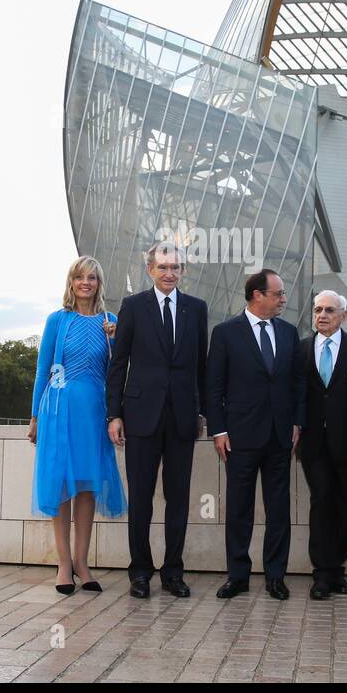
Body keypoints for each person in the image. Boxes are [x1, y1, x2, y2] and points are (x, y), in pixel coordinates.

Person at [106, 241, 208, 599]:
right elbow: (119, 364)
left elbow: (202, 366)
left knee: (178, 499)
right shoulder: (134, 307)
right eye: (162, 267)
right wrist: (114, 414)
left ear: (183, 271)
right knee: (142, 500)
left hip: (182, 417)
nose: (169, 273)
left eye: (175, 268)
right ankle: (139, 572)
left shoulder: (197, 309)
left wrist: (203, 412)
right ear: (150, 270)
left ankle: (173, 572)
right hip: (140, 416)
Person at [29, 256, 127, 595]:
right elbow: (43, 369)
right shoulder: (58, 320)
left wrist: (115, 339)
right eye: (79, 277)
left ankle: (83, 564)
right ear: (71, 282)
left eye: (92, 277)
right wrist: (34, 416)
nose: (86, 282)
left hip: (94, 411)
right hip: (58, 409)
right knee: (60, 486)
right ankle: (63, 564)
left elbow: (119, 371)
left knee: (87, 487)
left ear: (99, 283)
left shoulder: (111, 321)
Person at [206, 269, 305, 601]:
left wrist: (296, 423)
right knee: (238, 509)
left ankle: (275, 576)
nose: (283, 299)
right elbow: (213, 387)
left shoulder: (289, 333)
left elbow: (296, 383)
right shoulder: (225, 333)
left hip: (280, 437)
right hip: (239, 437)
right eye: (278, 293)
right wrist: (218, 430)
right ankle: (238, 576)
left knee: (279, 509)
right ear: (257, 295)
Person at [298, 291, 347, 600]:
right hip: (313, 442)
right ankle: (321, 573)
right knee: (321, 502)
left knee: (346, 504)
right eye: (318, 309)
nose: (323, 315)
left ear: (344, 315)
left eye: (330, 310)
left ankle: (336, 569)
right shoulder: (301, 349)